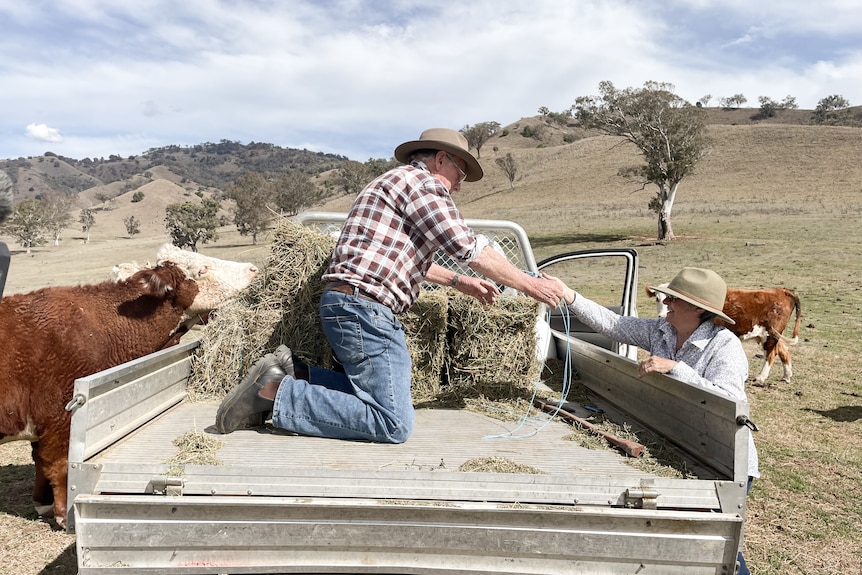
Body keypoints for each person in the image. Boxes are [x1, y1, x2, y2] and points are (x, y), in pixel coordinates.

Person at [216, 128, 564, 444]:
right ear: (441, 159)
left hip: (352, 303)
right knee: (392, 422)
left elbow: (403, 259)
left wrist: (461, 282)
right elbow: (467, 247)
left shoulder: (393, 183)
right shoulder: (423, 185)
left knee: (383, 399)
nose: (458, 186)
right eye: (460, 173)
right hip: (366, 309)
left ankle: (298, 374)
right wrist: (529, 285)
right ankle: (275, 393)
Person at [548, 266, 758, 575]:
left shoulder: (725, 347)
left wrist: (676, 368)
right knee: (679, 538)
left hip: (721, 456)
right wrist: (569, 295)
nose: (666, 303)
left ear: (698, 308)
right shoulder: (662, 330)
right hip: (682, 445)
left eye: (674, 299)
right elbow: (615, 324)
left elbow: (729, 401)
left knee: (710, 542)